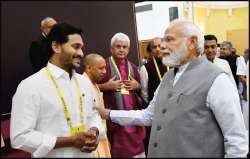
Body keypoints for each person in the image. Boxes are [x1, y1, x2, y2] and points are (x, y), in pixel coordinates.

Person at [94, 20, 249, 157]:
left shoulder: (218, 79)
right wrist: (109, 114)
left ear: (192, 42)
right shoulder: (168, 77)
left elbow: (236, 141)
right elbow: (149, 116)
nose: (162, 46)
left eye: (169, 40)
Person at [11, 23, 104, 157]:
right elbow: (19, 137)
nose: (81, 53)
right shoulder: (30, 85)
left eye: (82, 48)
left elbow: (94, 114)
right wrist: (69, 141)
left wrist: (94, 132)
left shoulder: (84, 82)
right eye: (75, 47)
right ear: (56, 46)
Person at [97, 32, 146, 158]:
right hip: (114, 120)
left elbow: (141, 89)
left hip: (133, 119)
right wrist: (105, 87)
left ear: (128, 49)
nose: (121, 49)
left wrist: (138, 86)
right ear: (111, 48)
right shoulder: (103, 66)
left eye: (125, 47)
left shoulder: (134, 68)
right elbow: (89, 88)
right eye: (118, 46)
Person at [139, 37, 168, 154]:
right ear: (150, 51)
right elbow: (144, 93)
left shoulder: (171, 65)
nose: (158, 49)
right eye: (154, 47)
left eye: (160, 45)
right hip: (155, 111)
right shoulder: (145, 68)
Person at [82, 53, 111, 158]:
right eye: (101, 68)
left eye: (105, 68)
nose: (105, 72)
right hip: (92, 142)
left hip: (101, 136)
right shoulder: (83, 86)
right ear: (89, 68)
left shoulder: (93, 84)